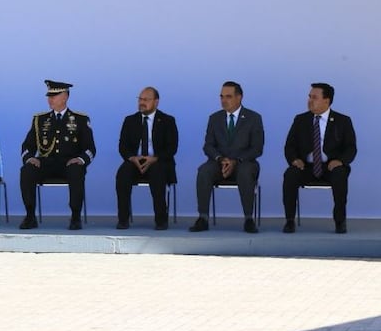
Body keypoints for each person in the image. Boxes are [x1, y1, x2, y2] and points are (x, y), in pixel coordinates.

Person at [18, 80, 96, 231]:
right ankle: (30, 216)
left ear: (65, 96)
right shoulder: (40, 120)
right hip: (46, 163)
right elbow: (27, 146)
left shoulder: (80, 119)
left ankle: (75, 216)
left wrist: (80, 160)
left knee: (76, 170)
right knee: (26, 170)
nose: (50, 99)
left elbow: (90, 148)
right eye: (49, 96)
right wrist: (30, 158)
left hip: (69, 163)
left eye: (54, 95)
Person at [190, 81, 264, 234]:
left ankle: (249, 219)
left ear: (239, 97)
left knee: (245, 172)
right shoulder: (214, 118)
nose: (224, 100)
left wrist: (236, 161)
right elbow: (208, 146)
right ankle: (202, 218)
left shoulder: (253, 118)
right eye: (222, 96)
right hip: (219, 162)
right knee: (203, 171)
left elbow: (257, 148)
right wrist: (220, 159)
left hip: (244, 163)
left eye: (228, 96)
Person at [281, 83, 356, 234]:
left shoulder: (343, 121)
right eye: (309, 97)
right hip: (306, 166)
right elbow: (289, 146)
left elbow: (351, 148)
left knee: (340, 174)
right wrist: (295, 159)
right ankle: (289, 221)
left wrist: (340, 161)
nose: (309, 100)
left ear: (326, 101)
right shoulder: (300, 120)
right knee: (290, 174)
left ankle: (340, 221)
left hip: (331, 166)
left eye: (314, 97)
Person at [115, 87, 178, 230]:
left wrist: (154, 158)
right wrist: (132, 158)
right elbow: (122, 146)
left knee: (157, 173)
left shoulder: (168, 120)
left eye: (146, 100)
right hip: (135, 161)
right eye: (140, 99)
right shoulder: (130, 120)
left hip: (158, 161)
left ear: (156, 102)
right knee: (123, 173)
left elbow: (171, 148)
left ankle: (161, 220)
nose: (142, 103)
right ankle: (123, 219)